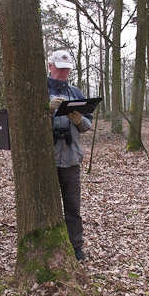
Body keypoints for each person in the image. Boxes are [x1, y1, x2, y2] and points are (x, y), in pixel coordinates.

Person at [48, 50, 93, 261]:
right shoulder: (39, 90)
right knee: (48, 207)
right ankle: (50, 246)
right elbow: (26, 125)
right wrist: (46, 109)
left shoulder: (76, 93)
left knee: (73, 207)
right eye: (59, 67)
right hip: (46, 162)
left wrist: (78, 121)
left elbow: (87, 125)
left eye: (66, 69)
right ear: (50, 66)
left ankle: (76, 247)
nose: (63, 72)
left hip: (72, 159)